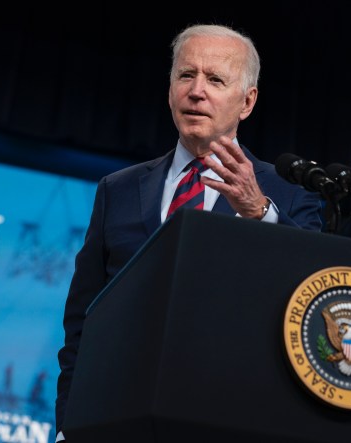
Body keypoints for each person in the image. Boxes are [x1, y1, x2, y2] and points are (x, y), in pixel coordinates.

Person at [54, 23, 322, 441]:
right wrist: (68, 427)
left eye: (215, 79)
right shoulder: (118, 189)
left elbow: (311, 299)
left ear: (247, 101)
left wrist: (258, 212)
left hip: (226, 421)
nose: (196, 91)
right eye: (186, 75)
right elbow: (82, 327)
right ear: (169, 89)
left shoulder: (288, 195)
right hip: (117, 421)